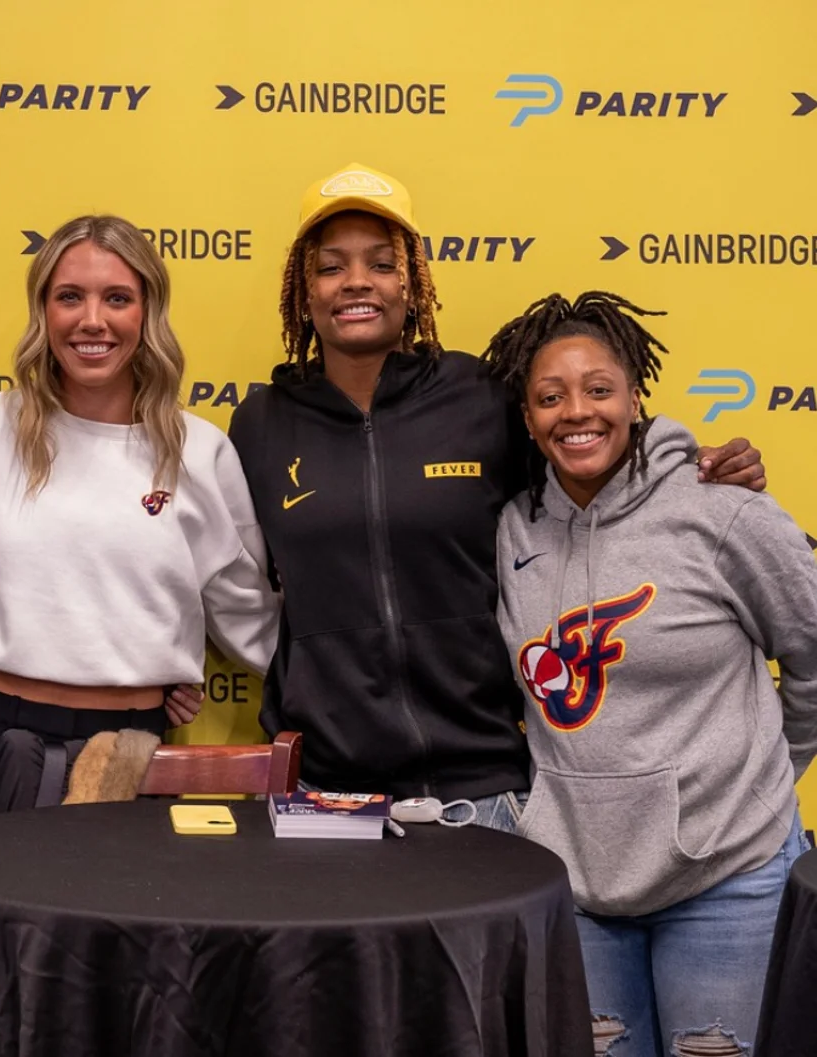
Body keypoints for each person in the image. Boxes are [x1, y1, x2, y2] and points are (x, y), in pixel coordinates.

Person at [214, 162, 765, 827]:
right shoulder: (261, 424)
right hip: (328, 790)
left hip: (487, 786)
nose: (356, 281)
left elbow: (598, 479)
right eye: (331, 267)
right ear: (304, 292)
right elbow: (241, 582)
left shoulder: (482, 397)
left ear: (413, 282)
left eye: (382, 264)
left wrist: (693, 470)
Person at [484, 290, 816, 1056]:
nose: (577, 411)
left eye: (599, 389)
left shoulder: (722, 510)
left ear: (635, 397)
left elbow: (812, 651)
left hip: (729, 879)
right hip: (580, 889)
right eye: (550, 397)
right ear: (528, 418)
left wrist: (766, 775)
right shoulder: (515, 530)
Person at [0, 214, 280, 830]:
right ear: (43, 311)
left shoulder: (199, 453)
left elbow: (249, 617)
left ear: (148, 312)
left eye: (117, 298)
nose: (92, 320)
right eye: (70, 297)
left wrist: (159, 659)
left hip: (132, 750)